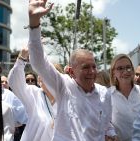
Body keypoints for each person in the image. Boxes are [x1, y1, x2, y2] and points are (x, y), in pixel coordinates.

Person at [27, 0, 116, 140]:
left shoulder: (105, 93)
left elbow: (106, 125)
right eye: (85, 67)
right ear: (70, 71)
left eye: (94, 66)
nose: (92, 72)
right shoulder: (63, 86)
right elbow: (39, 63)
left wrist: (111, 134)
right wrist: (34, 22)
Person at [8, 46, 55, 141]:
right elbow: (15, 82)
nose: (46, 77)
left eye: (51, 73)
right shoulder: (34, 94)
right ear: (39, 79)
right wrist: (22, 58)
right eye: (43, 73)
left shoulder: (64, 99)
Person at [108, 54, 140, 141]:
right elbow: (104, 124)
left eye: (128, 67)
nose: (125, 71)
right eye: (120, 68)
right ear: (113, 72)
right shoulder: (107, 95)